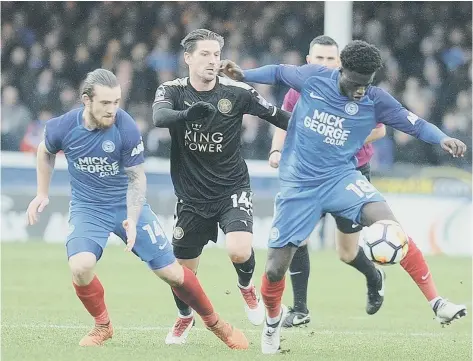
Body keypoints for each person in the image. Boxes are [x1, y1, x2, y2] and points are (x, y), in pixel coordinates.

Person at [220, 40, 468, 354]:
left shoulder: (376, 100)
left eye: (367, 83)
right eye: (355, 83)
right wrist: (244, 74)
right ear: (341, 70)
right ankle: (272, 324)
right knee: (274, 269)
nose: (361, 90)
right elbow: (280, 72)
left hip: (341, 177)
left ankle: (437, 302)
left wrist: (444, 138)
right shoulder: (313, 79)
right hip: (300, 185)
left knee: (392, 229)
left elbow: (415, 124)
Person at [26, 68, 248, 350]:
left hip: (127, 204)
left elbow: (136, 178)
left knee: (172, 273)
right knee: (81, 267)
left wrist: (131, 219)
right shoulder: (63, 127)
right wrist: (41, 193)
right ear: (86, 100)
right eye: (105, 103)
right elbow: (44, 151)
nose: (112, 109)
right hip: (88, 208)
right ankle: (103, 326)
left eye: (116, 102)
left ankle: (216, 323)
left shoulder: (125, 126)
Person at [152, 29, 290, 345]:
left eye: (217, 54)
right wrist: (187, 115)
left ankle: (246, 287)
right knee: (181, 273)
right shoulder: (171, 90)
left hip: (232, 188)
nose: (213, 61)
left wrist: (314, 130)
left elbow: (278, 116)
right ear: (187, 58)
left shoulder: (238, 92)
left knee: (239, 250)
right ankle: (185, 318)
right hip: (191, 196)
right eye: (205, 54)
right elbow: (160, 117)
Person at [269, 35, 386, 328]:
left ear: (341, 63)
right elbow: (286, 122)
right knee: (298, 238)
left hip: (350, 174)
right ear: (309, 62)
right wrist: (275, 150)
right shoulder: (300, 90)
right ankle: (300, 309)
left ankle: (374, 275)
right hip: (308, 176)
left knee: (346, 253)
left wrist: (342, 138)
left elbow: (381, 130)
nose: (324, 64)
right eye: (318, 59)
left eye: (330, 59)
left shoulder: (362, 91)